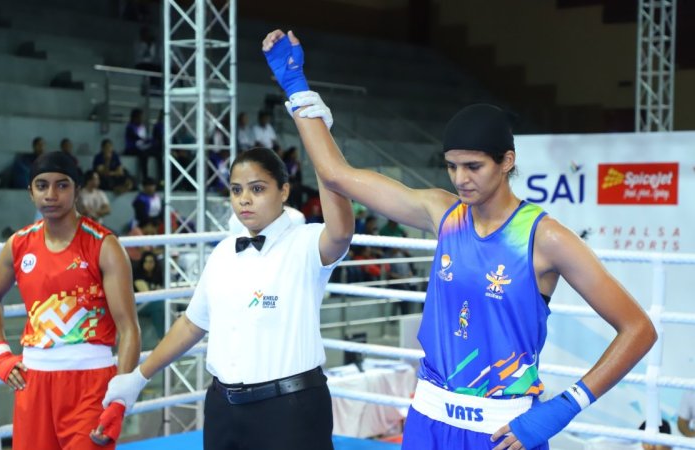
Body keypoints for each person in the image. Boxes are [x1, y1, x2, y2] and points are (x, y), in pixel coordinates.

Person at [262, 29, 658, 450]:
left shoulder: (545, 238)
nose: (461, 179)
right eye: (452, 166)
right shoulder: (442, 212)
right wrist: (296, 86)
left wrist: (564, 407)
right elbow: (337, 175)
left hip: (503, 430)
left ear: (507, 161)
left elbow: (638, 328)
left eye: (473, 166)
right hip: (428, 418)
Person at [99, 135, 354, 447]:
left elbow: (341, 232)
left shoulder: (305, 242)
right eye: (236, 190)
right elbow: (191, 324)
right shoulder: (222, 252)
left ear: (284, 191)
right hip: (223, 408)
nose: (244, 199)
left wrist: (319, 145)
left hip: (290, 409)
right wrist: (139, 377)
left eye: (257, 189)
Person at [0, 151, 141, 449]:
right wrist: (0, 353)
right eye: (42, 186)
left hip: (91, 385)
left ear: (77, 190)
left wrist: (119, 399)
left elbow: (129, 328)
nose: (51, 194)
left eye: (62, 185)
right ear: (30, 192)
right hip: (33, 382)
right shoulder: (19, 244)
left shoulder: (104, 246)